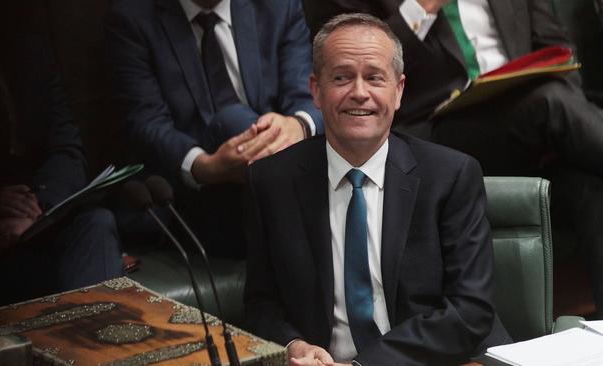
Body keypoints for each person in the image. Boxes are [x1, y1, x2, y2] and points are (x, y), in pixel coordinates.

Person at [303, 0, 603, 318]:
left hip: (531, 124)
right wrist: (422, 9)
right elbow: (359, 70)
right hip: (438, 127)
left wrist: (569, 129)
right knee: (549, 102)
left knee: (591, 183)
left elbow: (558, 51)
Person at [244, 13, 510, 366]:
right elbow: (261, 304)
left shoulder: (452, 175)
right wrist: (293, 345)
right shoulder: (271, 181)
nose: (359, 92)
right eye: (341, 77)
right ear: (316, 91)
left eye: (374, 78)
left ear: (398, 91)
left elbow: (469, 312)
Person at [106, 0, 322, 257]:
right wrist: (203, 167)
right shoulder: (134, 17)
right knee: (235, 121)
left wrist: (297, 125)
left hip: (278, 166)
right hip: (191, 194)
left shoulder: (277, 6)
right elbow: (146, 122)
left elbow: (309, 95)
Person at [0, 0, 123, 308]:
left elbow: (66, 147)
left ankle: (97, 348)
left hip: (36, 222)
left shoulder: (29, 47)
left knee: (95, 224)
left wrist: (37, 214)